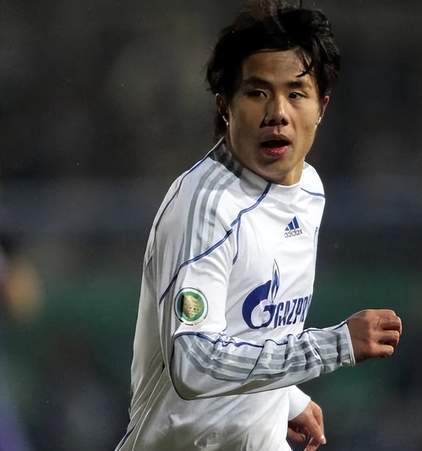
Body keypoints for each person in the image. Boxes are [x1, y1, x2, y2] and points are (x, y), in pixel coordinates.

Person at [116, 2, 402, 450]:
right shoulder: (206, 206)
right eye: (257, 93)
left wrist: (284, 398)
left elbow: (251, 331)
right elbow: (194, 362)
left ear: (322, 107)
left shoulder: (309, 190)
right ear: (224, 106)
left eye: (296, 93)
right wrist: (335, 345)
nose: (278, 113)